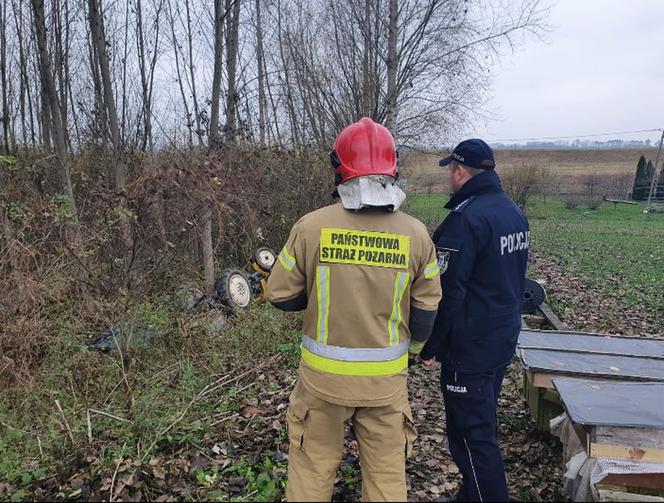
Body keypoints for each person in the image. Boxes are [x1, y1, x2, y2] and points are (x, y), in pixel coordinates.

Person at [267, 117, 442, 502]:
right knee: (385, 477)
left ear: (338, 167)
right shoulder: (415, 234)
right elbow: (427, 308)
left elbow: (279, 295)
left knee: (312, 472)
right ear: (392, 167)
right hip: (385, 384)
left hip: (321, 383)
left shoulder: (310, 228)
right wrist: (411, 355)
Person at [419, 139, 529, 502]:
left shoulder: (465, 221)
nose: (451, 176)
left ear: (461, 172)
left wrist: (432, 344)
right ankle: (471, 495)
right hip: (500, 339)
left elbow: (448, 292)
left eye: (452, 170)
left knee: (471, 437)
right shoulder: (513, 212)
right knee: (481, 424)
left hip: (471, 348)